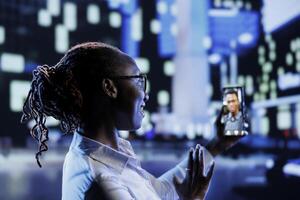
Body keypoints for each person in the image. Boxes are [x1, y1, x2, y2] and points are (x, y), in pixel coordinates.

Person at [21, 42, 243, 200]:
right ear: (110, 87)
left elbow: (158, 191)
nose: (145, 94)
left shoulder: (110, 152)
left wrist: (218, 143)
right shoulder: (101, 177)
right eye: (138, 81)